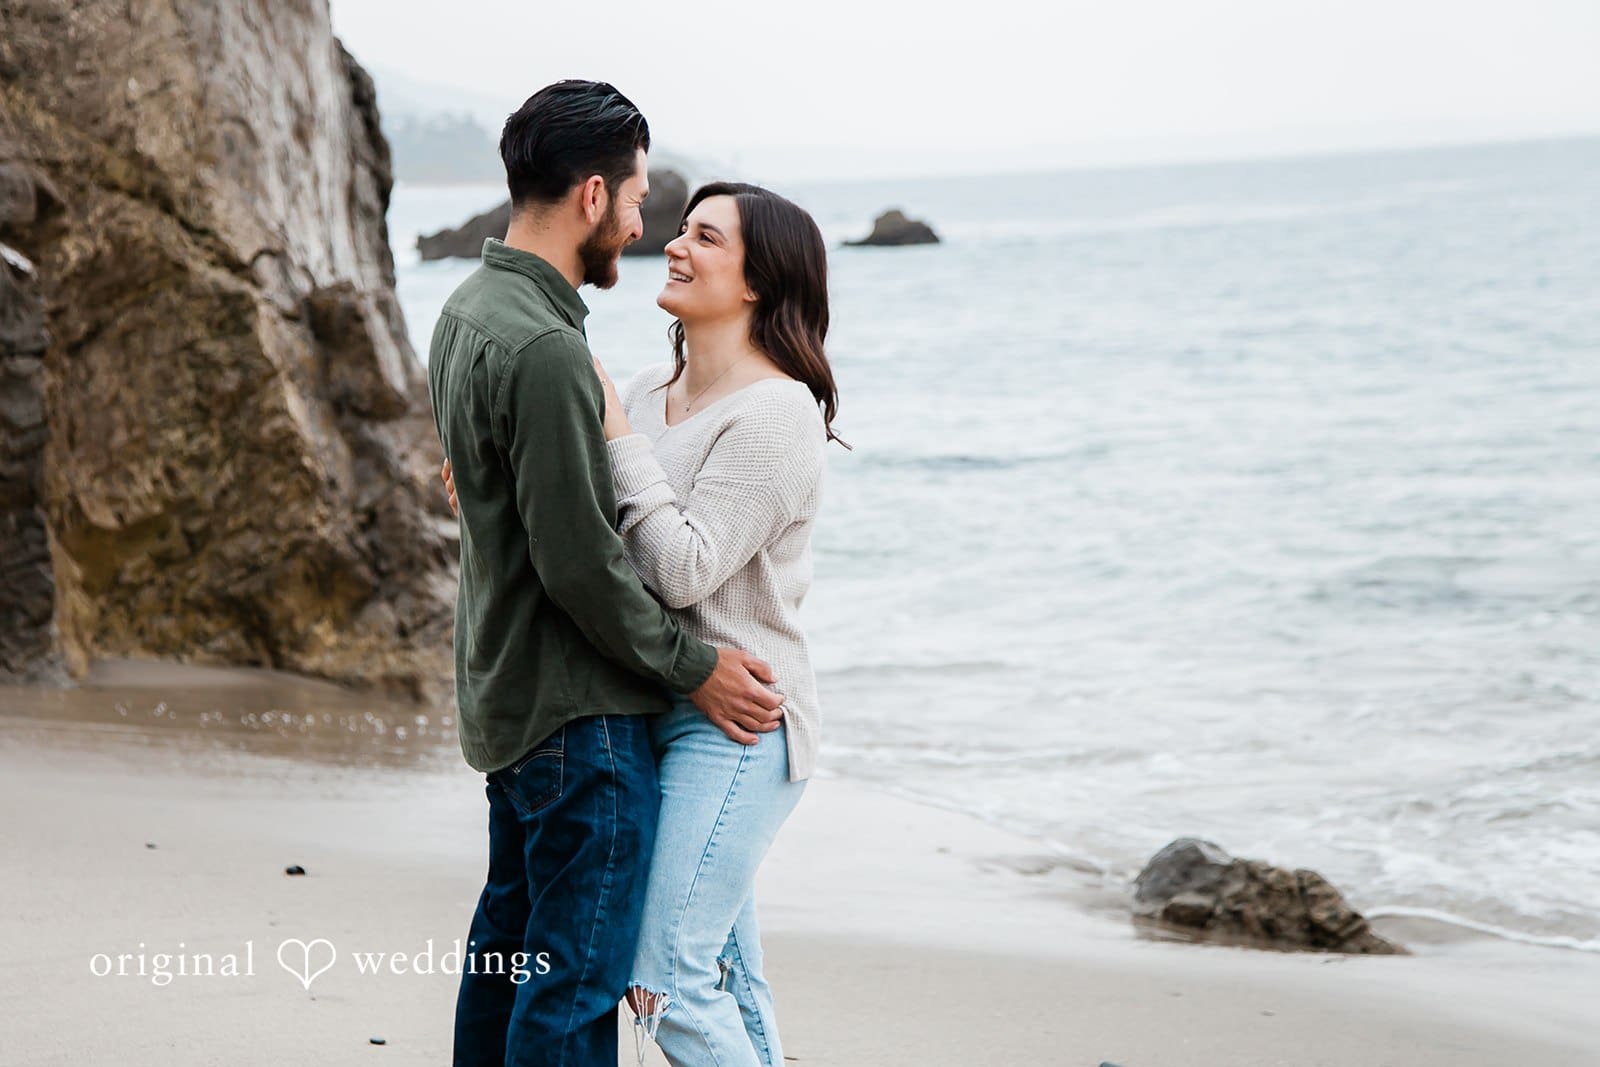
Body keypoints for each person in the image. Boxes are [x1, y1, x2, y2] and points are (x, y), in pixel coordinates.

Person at [426, 81, 785, 1067]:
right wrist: (695, 666)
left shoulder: (466, 310)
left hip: (509, 704)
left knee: (505, 961)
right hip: (578, 721)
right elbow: (579, 562)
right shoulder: (545, 345)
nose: (638, 225)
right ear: (591, 195)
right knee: (573, 983)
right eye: (632, 200)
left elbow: (501, 499)